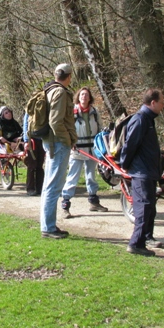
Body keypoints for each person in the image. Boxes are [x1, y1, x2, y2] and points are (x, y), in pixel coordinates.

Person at [120, 89, 164, 256]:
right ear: (152, 102)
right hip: (141, 172)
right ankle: (135, 243)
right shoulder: (140, 119)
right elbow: (130, 144)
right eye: (161, 102)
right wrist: (125, 165)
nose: (163, 105)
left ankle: (147, 237)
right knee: (144, 207)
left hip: (148, 171)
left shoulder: (149, 120)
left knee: (150, 206)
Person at [39, 63, 77, 239]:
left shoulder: (49, 89)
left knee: (49, 186)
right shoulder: (60, 92)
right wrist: (67, 140)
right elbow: (56, 122)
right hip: (58, 144)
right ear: (69, 76)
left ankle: (48, 225)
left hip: (51, 143)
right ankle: (48, 227)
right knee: (54, 187)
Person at [61, 87, 107, 218]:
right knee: (72, 177)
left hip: (92, 149)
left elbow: (100, 128)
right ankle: (65, 204)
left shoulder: (94, 112)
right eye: (82, 95)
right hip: (77, 149)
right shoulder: (72, 112)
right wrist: (70, 142)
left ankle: (94, 202)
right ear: (78, 97)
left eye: (86, 95)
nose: (84, 97)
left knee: (91, 176)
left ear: (89, 97)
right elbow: (66, 127)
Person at [23, 112, 45, 196]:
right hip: (32, 139)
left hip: (42, 139)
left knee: (40, 164)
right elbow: (25, 124)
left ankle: (40, 188)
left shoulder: (45, 106)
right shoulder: (30, 108)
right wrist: (26, 140)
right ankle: (30, 188)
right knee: (32, 164)